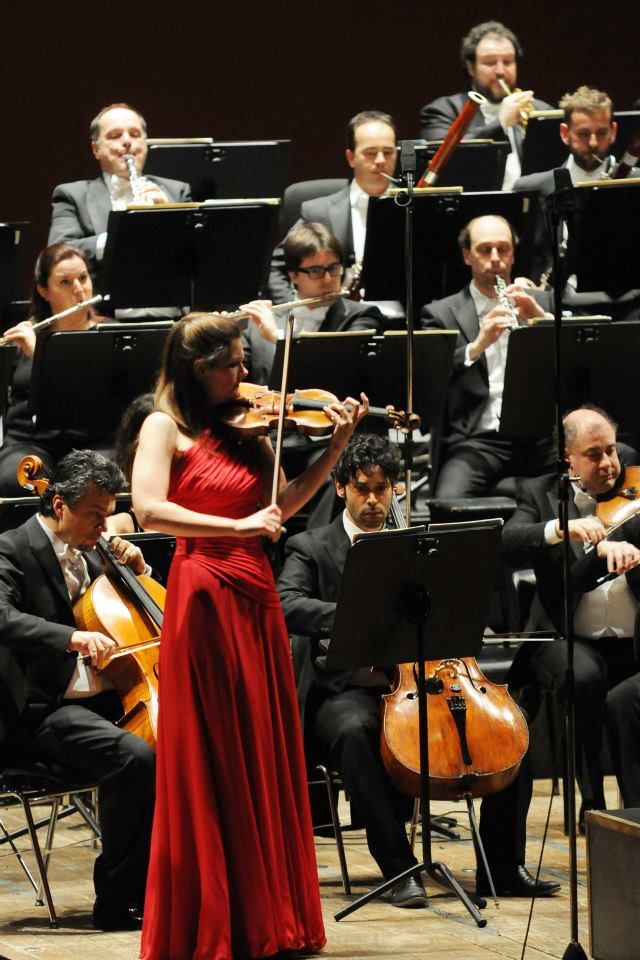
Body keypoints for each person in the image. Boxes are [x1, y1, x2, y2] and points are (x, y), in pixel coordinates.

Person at [132, 312, 368, 959]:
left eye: (244, 361)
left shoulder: (247, 427)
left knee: (260, 745)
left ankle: (269, 916)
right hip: (204, 591)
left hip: (255, 594)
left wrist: (335, 449)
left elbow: (283, 502)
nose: (245, 374)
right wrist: (237, 530)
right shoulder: (164, 427)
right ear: (195, 369)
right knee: (214, 750)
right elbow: (148, 509)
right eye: (231, 363)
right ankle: (217, 920)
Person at [277, 433, 560, 901]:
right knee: (354, 731)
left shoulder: (417, 544)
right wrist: (354, 612)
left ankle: (502, 867)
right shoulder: (311, 546)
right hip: (348, 685)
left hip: (426, 680)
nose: (373, 499)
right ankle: (397, 868)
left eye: (383, 488)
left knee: (511, 733)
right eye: (363, 488)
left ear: (395, 490)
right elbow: (286, 602)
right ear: (341, 488)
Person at [0, 449, 155, 930]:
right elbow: (1, 617)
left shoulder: (96, 550)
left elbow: (137, 619)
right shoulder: (11, 548)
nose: (104, 528)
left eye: (108, 515)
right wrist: (72, 636)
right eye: (95, 515)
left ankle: (173, 886)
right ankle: (116, 899)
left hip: (104, 702)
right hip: (44, 713)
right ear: (60, 505)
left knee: (186, 742)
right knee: (136, 757)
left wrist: (139, 573)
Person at [502, 406, 640, 821]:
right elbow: (508, 540)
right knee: (581, 677)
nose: (608, 463)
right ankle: (592, 800)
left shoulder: (637, 488)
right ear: (569, 457)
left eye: (612, 451)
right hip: (569, 636)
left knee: (626, 700)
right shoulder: (539, 494)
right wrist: (560, 528)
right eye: (594, 454)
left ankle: (633, 814)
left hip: (636, 638)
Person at [420, 214, 555, 497]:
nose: (496, 258)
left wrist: (542, 323)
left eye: (503, 249)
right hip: (478, 441)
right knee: (448, 501)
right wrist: (478, 344)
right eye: (485, 250)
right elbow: (429, 381)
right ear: (467, 256)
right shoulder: (441, 313)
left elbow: (574, 364)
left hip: (540, 436)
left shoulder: (544, 302)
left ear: (514, 254)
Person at [514, 86, 640, 300]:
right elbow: (521, 259)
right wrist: (521, 280)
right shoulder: (531, 188)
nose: (592, 143)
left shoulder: (634, 183)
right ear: (565, 133)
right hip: (553, 305)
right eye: (583, 133)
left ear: (614, 132)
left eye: (601, 133)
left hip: (627, 303)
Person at [0, 243, 107, 495]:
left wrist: (40, 355)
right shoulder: (25, 336)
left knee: (100, 480)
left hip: (94, 442)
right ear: (44, 291)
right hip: (30, 442)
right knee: (21, 478)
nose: (80, 289)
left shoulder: (109, 337)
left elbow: (93, 390)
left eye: (83, 278)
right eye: (66, 282)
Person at [268, 111, 397, 303]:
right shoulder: (318, 213)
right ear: (351, 158)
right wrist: (294, 312)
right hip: (338, 323)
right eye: (370, 153)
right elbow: (279, 267)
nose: (380, 160)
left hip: (403, 323)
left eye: (388, 152)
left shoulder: (415, 207)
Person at [48, 103, 191, 267]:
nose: (127, 141)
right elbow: (56, 253)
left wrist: (170, 219)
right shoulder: (72, 195)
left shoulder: (177, 191)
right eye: (115, 136)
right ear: (96, 149)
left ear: (145, 144)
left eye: (135, 134)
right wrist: (120, 236)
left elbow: (196, 253)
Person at [244, 221, 384, 386]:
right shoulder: (261, 322)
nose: (328, 279)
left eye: (333, 268)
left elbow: (331, 370)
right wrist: (217, 334)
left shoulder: (361, 317)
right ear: (293, 275)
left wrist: (278, 338)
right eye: (316, 271)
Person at [419, 21, 551, 189]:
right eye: (490, 63)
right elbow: (444, 162)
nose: (501, 71)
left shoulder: (541, 111)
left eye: (508, 62)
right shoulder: (441, 111)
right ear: (470, 67)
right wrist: (501, 123)